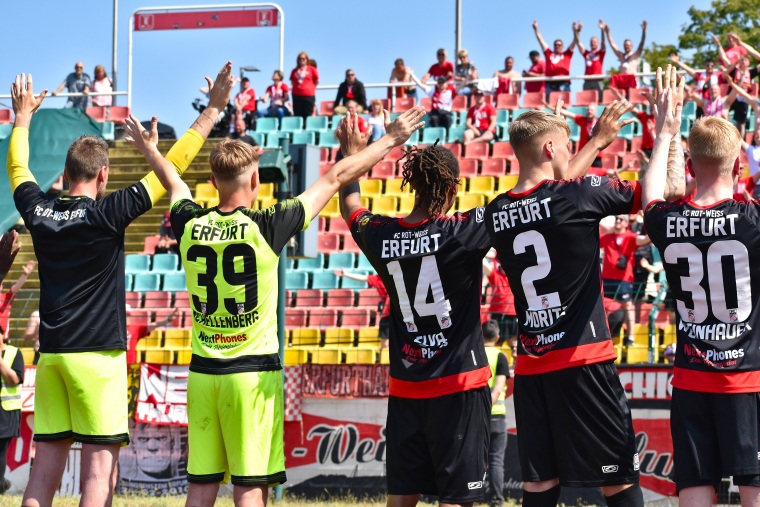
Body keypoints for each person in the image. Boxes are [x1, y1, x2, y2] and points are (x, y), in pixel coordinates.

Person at [122, 103, 425, 507]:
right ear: (257, 180)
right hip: (251, 375)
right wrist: (390, 139)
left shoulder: (189, 224)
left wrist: (149, 151)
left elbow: (173, 181)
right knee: (251, 486)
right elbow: (336, 177)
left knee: (200, 487)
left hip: (202, 372)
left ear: (212, 180)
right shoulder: (268, 225)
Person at [8, 64, 235, 507]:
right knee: (99, 472)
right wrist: (212, 112)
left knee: (44, 471)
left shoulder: (38, 210)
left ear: (67, 173)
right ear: (103, 175)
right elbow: (172, 169)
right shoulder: (106, 213)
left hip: (51, 355)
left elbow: (18, 166)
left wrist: (21, 119)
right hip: (98, 358)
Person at [483, 92, 685, 506]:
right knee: (617, 478)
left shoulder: (496, 212)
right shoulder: (579, 194)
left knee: (540, 485)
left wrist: (594, 143)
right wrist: (665, 131)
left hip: (533, 365)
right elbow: (668, 190)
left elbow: (545, 198)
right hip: (583, 360)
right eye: (568, 144)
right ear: (551, 148)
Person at [338, 143, 494, 507]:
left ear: (411, 184)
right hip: (459, 385)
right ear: (453, 188)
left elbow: (351, 206)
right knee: (457, 498)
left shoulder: (381, 234)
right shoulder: (463, 230)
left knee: (401, 498)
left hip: (406, 389)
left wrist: (352, 154)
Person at [641, 64, 760, 507]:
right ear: (739, 162)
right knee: (754, 485)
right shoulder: (752, 219)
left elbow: (651, 191)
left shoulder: (667, 221)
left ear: (689, 164)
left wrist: (664, 132)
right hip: (746, 376)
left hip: (691, 376)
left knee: (693, 487)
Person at [600, 215, 650, 346]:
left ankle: (630, 338)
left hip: (624, 279)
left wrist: (653, 225)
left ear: (626, 223)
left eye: (621, 219)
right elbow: (591, 241)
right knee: (604, 308)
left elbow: (644, 239)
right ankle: (607, 336)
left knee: (628, 306)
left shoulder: (630, 236)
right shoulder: (607, 237)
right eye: (616, 218)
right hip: (607, 278)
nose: (617, 221)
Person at [482, 319, 510, 507]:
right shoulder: (500, 356)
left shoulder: (473, 354)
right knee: (496, 461)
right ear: (498, 337)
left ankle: (468, 496)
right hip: (497, 416)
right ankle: (496, 500)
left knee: (473, 460)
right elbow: (498, 389)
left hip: (476, 417)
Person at [334, 268, 391, 349]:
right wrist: (346, 274)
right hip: (387, 315)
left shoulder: (399, 277)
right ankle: (383, 360)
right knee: (385, 344)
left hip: (401, 314)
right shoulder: (378, 278)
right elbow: (364, 278)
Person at [0, 323, 23, 495]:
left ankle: (1, 485)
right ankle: (2, 482)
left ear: (3, 334)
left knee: (0, 450)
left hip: (6, 411)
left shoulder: (15, 353)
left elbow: (14, 379)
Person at [532, 20, 576, 100]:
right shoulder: (549, 53)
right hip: (550, 83)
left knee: (563, 104)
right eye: (555, 45)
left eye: (559, 45)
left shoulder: (567, 54)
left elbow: (575, 41)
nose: (557, 46)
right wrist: (536, 29)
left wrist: (576, 32)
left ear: (562, 46)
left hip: (563, 83)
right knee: (549, 106)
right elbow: (540, 40)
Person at [605, 21, 647, 94]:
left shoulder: (636, 55)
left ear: (632, 46)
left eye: (628, 45)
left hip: (632, 82)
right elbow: (613, 45)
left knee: (632, 99)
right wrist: (608, 33)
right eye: (625, 45)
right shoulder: (621, 55)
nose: (627, 46)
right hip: (621, 82)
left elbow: (641, 44)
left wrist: (644, 31)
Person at [575, 20, 607, 102]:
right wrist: (578, 31)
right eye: (592, 42)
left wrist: (602, 30)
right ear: (589, 44)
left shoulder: (600, 53)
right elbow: (578, 43)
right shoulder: (586, 53)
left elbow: (604, 43)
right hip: (587, 81)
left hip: (598, 80)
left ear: (598, 44)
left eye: (595, 42)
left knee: (600, 100)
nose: (593, 43)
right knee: (586, 101)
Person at [0, 259, 34, 335]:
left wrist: (25, 275)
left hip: (3, 339)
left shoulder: (6, 297)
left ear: (1, 286)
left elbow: (16, 287)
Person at [290, 51, 319, 119]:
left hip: (309, 95)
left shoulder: (312, 69)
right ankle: (299, 128)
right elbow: (292, 82)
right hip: (296, 95)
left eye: (303, 58)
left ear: (307, 59)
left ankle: (307, 128)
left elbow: (317, 80)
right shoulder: (294, 70)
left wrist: (310, 88)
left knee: (308, 114)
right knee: (297, 114)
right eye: (300, 59)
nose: (301, 60)